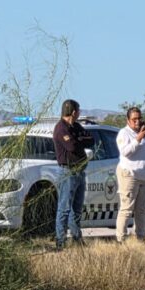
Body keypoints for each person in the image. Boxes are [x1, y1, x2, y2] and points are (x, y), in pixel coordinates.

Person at [51, 99, 93, 250]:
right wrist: (79, 139)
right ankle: (60, 242)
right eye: (79, 110)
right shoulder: (61, 128)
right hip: (68, 171)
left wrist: (79, 139)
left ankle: (77, 239)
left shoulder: (75, 126)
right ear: (74, 112)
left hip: (80, 171)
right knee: (64, 208)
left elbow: (91, 140)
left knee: (77, 208)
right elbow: (71, 146)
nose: (79, 113)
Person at [115, 106, 145, 243]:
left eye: (139, 118)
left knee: (142, 209)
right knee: (126, 209)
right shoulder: (124, 133)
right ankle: (121, 239)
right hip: (130, 175)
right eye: (134, 119)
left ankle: (140, 238)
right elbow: (125, 152)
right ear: (128, 120)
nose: (137, 122)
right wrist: (138, 139)